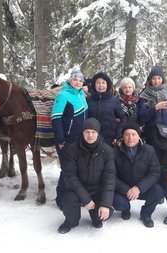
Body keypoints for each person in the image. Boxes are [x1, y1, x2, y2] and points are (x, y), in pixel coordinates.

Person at [57, 118, 116, 234]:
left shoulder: (107, 151)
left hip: (97, 189)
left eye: (93, 132)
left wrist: (106, 204)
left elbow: (110, 178)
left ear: (98, 134)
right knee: (68, 200)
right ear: (82, 133)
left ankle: (97, 216)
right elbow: (70, 177)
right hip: (77, 189)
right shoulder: (72, 150)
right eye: (87, 132)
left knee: (102, 215)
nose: (90, 135)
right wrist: (86, 199)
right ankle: (70, 221)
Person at [113, 122, 164, 228]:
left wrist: (139, 188)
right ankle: (125, 209)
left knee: (158, 191)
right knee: (116, 201)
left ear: (139, 135)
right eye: (127, 134)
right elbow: (111, 176)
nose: (130, 137)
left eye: (133, 134)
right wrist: (126, 189)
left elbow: (155, 172)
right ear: (122, 136)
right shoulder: (115, 152)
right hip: (124, 190)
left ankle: (146, 214)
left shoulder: (149, 150)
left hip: (142, 188)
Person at [51, 68, 88, 209]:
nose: (78, 82)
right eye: (75, 79)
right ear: (70, 80)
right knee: (67, 169)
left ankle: (73, 196)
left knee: (78, 169)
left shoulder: (81, 95)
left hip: (81, 139)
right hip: (67, 140)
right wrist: (61, 140)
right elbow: (56, 119)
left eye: (80, 80)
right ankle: (60, 199)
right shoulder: (63, 95)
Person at [138, 65, 167, 161]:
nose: (156, 81)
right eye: (153, 78)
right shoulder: (144, 95)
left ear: (163, 79)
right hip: (152, 133)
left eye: (159, 78)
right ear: (149, 80)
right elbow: (142, 116)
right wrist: (156, 107)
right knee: (154, 160)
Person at [87, 72, 126, 146]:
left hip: (110, 140)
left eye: (103, 83)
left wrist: (118, 135)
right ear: (94, 85)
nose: (101, 85)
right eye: (98, 83)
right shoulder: (88, 100)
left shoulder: (114, 100)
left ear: (107, 84)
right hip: (91, 139)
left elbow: (123, 118)